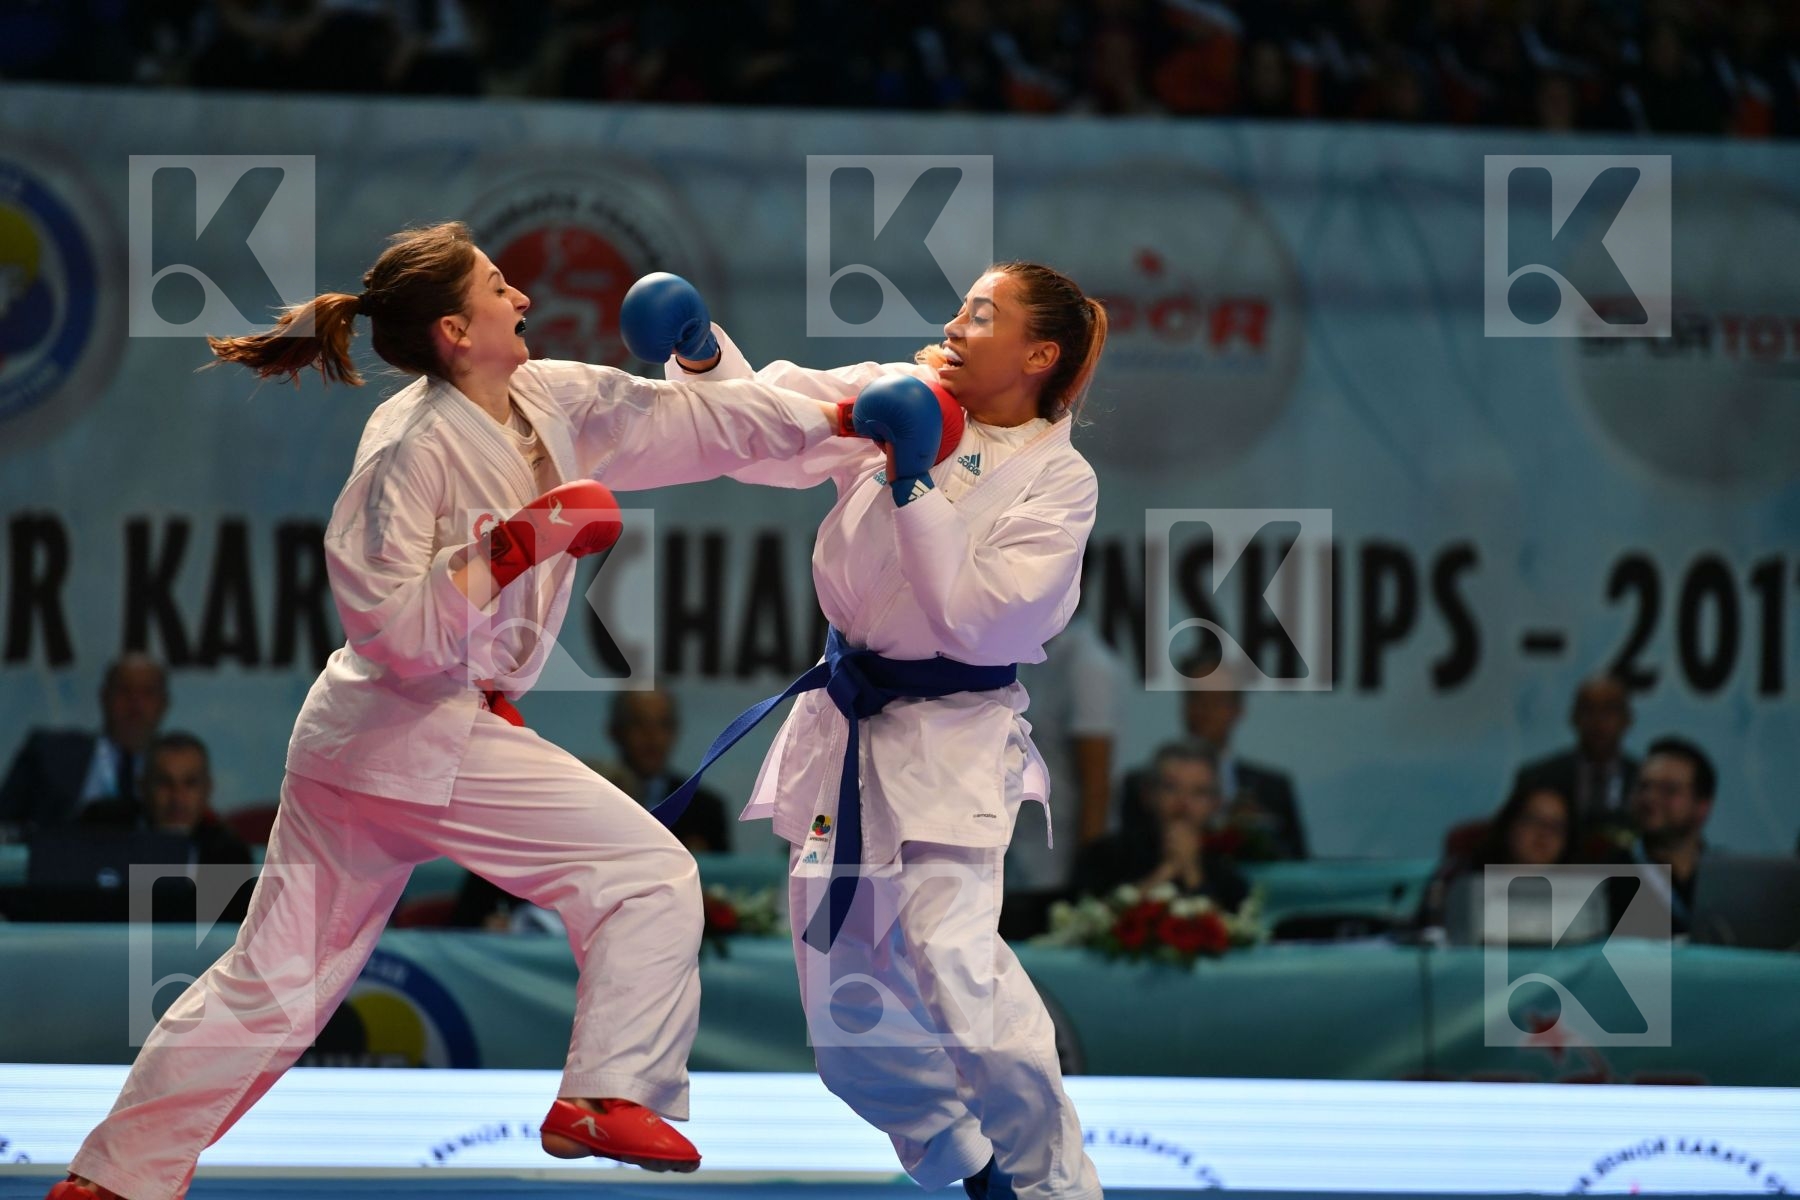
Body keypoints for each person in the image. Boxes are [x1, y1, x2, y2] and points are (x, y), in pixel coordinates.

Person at [47, 221, 849, 1200]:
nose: (520, 298)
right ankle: (603, 1092)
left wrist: (844, 413)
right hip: (405, 722)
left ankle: (113, 1180)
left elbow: (705, 427)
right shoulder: (410, 448)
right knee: (643, 875)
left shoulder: (551, 396)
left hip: (386, 740)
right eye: (499, 287)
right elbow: (392, 631)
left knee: (273, 987)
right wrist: (520, 542)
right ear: (454, 334)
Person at [625, 264, 1107, 1199]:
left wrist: (914, 480)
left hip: (949, 743)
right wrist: (702, 356)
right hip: (844, 730)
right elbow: (769, 431)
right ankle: (963, 1162)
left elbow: (986, 621)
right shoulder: (907, 388)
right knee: (844, 1023)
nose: (953, 323)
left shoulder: (1060, 480)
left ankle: (1055, 1186)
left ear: (1038, 355)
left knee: (959, 974)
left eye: (981, 314)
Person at [1121, 652, 1309, 860]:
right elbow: (1128, 858)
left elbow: (1297, 866)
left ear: (1238, 709)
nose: (1205, 709)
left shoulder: (1272, 790)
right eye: (1196, 697)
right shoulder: (1141, 785)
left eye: (1217, 699)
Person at [78, 732, 257, 924]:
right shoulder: (105, 833)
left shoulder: (230, 855)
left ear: (208, 789)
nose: (177, 798)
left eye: (190, 784)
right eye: (164, 783)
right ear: (143, 787)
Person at [1005, 609, 1125, 895]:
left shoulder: (1087, 665)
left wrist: (1086, 884)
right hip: (1019, 853)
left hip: (1059, 867)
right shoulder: (1030, 650)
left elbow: (1097, 785)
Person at [0, 654, 169, 840]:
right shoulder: (51, 753)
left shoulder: (178, 767)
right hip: (60, 862)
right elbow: (6, 823)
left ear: (164, 703)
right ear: (105, 696)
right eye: (124, 691)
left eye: (148, 693)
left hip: (150, 866)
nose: (135, 704)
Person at [1073, 741, 1249, 911]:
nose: (1183, 804)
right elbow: (1092, 923)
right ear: (1148, 794)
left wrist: (1192, 873)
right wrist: (1166, 871)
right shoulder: (1104, 856)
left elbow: (1231, 931)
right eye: (1171, 788)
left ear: (1215, 803)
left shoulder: (1226, 869)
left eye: (1199, 793)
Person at [1414, 781, 1580, 931]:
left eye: (1556, 827)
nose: (1544, 834)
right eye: (1534, 820)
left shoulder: (1578, 896)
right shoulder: (1457, 879)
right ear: (1510, 824)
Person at [586, 689, 730, 853]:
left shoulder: (706, 809)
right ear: (615, 731)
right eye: (639, 723)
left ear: (675, 732)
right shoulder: (590, 800)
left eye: (663, 724)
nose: (652, 737)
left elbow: (723, 876)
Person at [1601, 735, 1718, 936]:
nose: (1650, 798)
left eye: (1669, 790)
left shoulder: (1725, 881)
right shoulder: (1608, 876)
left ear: (1702, 807)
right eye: (1644, 786)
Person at [1512, 674, 1638, 834]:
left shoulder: (1644, 782)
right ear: (1574, 717)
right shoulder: (1537, 780)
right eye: (1589, 710)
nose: (1598, 721)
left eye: (1609, 710)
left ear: (1627, 719)